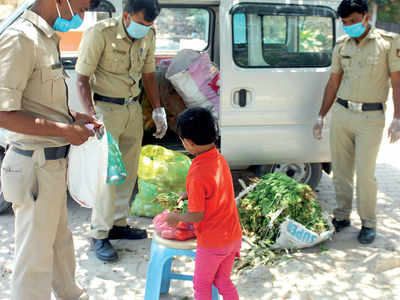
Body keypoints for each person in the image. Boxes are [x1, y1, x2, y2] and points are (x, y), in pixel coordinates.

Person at [0, 0, 102, 299]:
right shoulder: (21, 38)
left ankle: (71, 294)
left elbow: (38, 101)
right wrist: (64, 131)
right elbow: (4, 113)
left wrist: (72, 118)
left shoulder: (44, 38)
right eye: (81, 8)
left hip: (52, 168)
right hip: (35, 166)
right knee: (34, 262)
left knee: (59, 245)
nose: (81, 18)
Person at [75, 0, 167, 262]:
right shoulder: (99, 34)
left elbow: (148, 75)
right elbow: (82, 78)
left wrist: (158, 109)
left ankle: (118, 223)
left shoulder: (149, 34)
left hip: (132, 109)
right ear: (126, 16)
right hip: (106, 111)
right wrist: (92, 117)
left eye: (150, 25)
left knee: (128, 171)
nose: (146, 29)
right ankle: (99, 233)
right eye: (141, 23)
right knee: (108, 175)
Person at [313, 0, 400, 244]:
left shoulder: (387, 43)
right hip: (342, 113)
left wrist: (398, 118)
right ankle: (341, 216)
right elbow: (333, 82)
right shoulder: (341, 45)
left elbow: (397, 82)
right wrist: (321, 115)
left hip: (370, 117)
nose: (349, 26)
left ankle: (369, 223)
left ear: (365, 16)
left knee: (365, 174)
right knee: (340, 171)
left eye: (353, 21)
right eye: (345, 23)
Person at [165, 107, 242, 300]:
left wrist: (176, 217)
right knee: (223, 281)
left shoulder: (197, 171)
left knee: (201, 285)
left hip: (213, 242)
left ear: (188, 143)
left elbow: (196, 215)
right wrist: (189, 193)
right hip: (232, 236)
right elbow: (215, 190)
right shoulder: (219, 159)